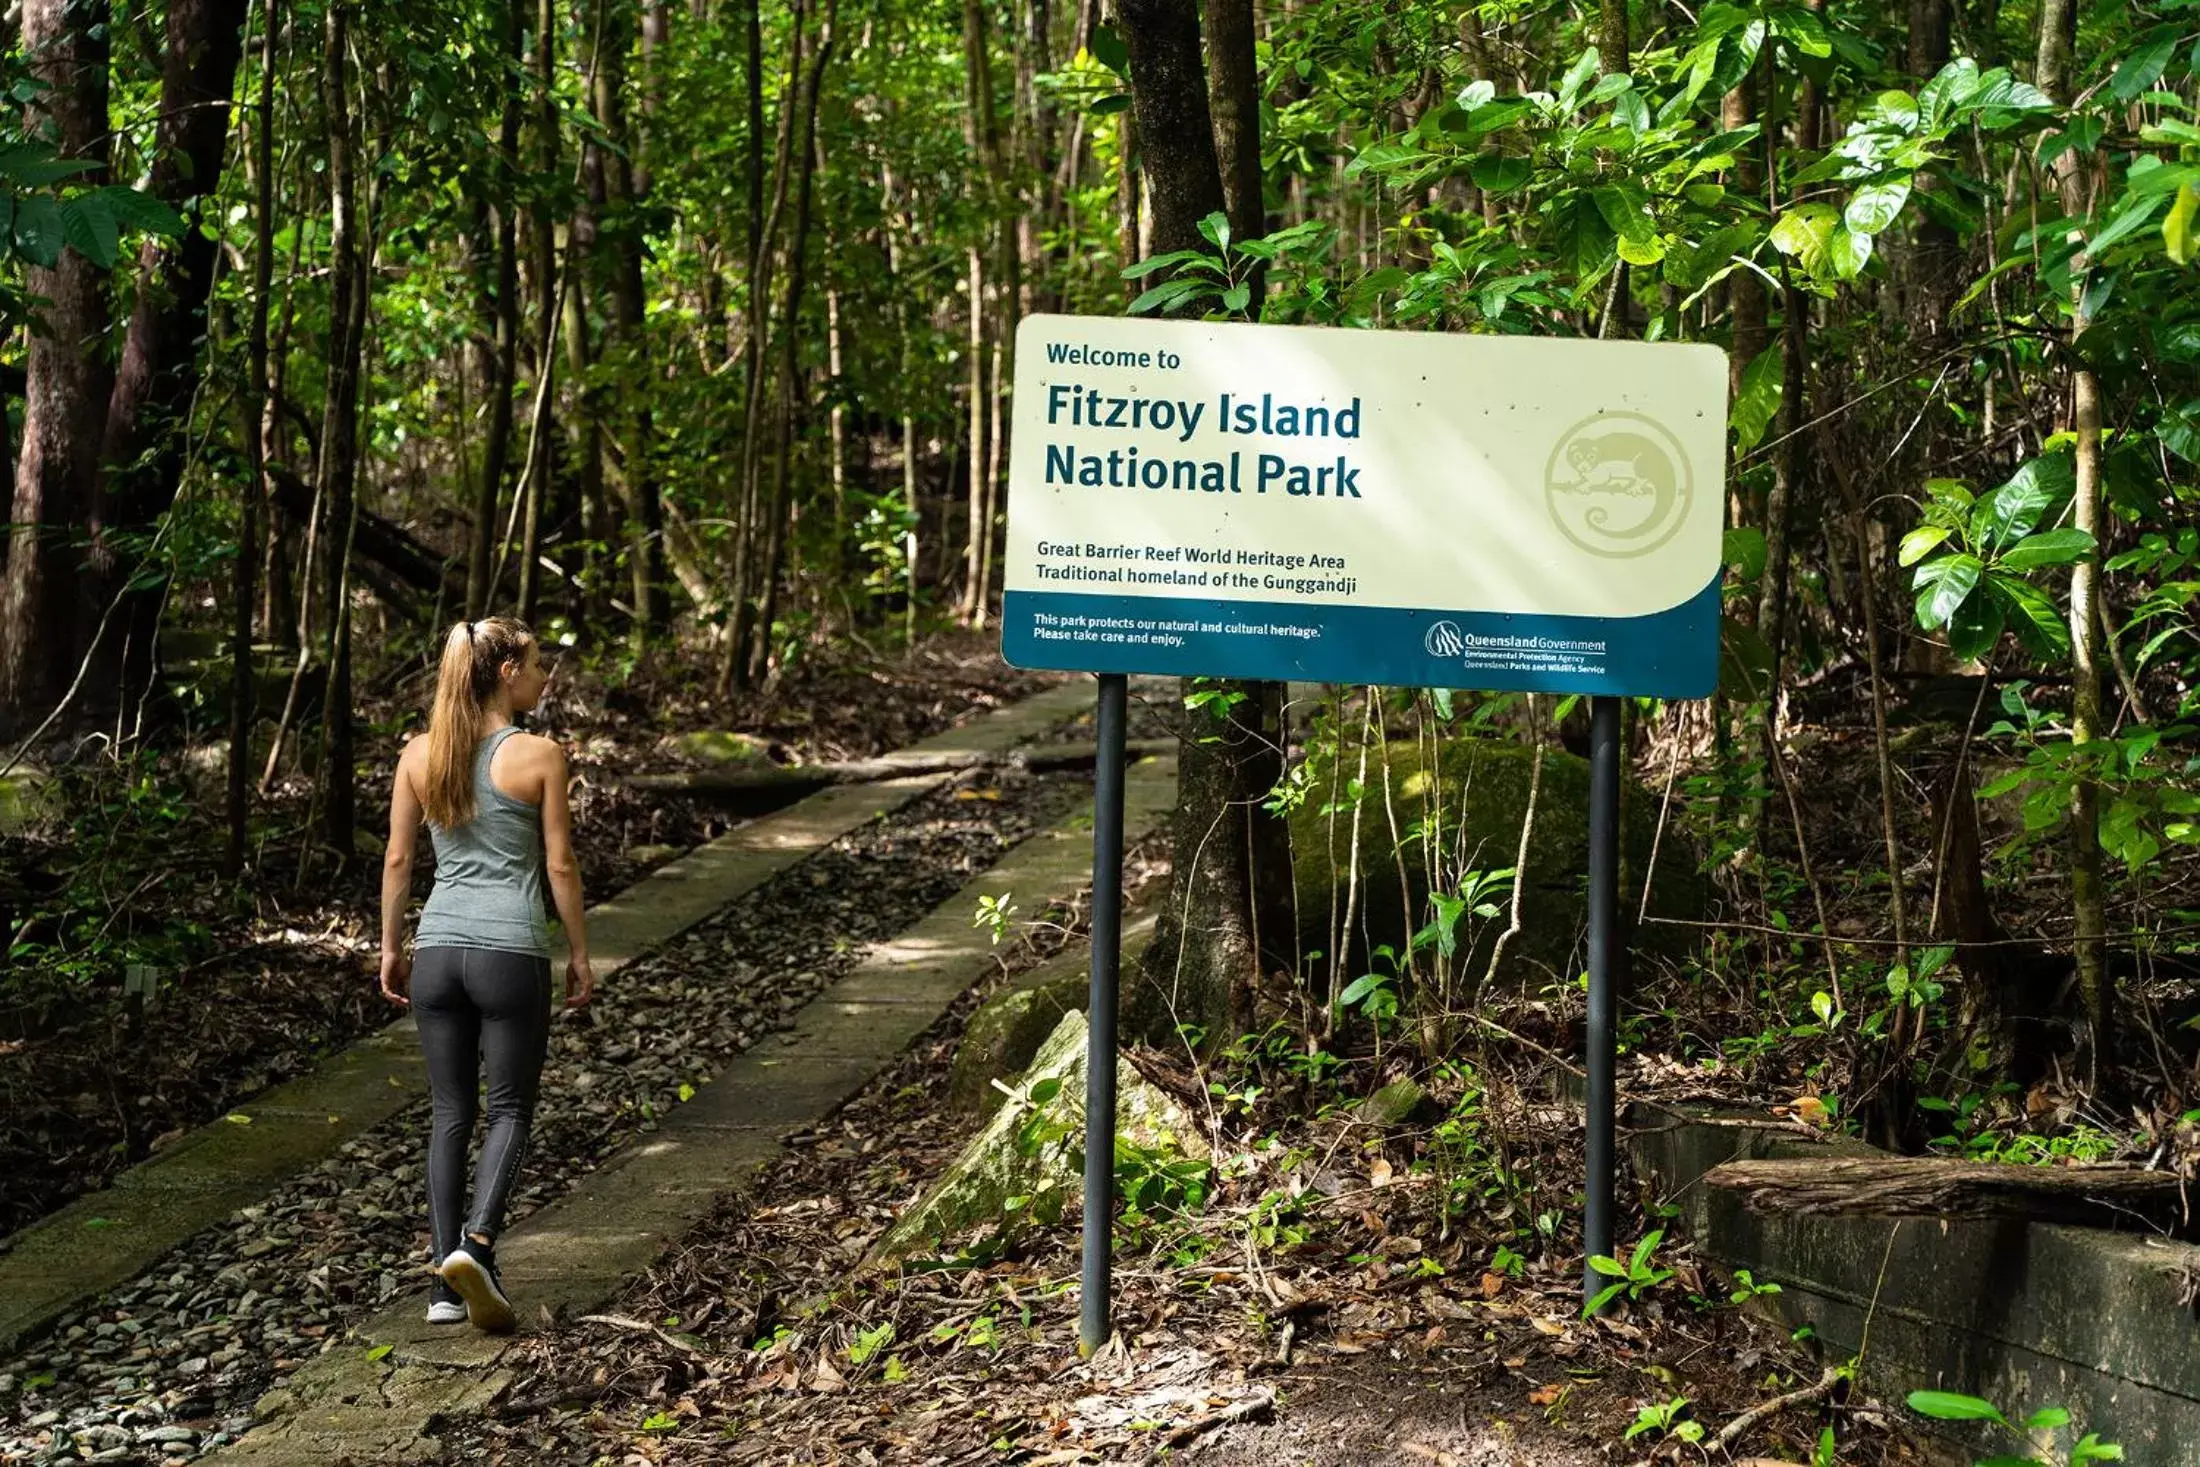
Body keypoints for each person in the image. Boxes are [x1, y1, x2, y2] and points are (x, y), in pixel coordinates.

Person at [376, 616, 596, 1333]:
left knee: (450, 1112)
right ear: (506, 673)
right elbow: (560, 864)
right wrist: (581, 952)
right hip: (508, 953)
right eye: (536, 664)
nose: (543, 676)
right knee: (510, 1110)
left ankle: (445, 1286)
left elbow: (400, 861)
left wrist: (390, 947)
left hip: (437, 950)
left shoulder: (419, 753)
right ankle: (475, 1243)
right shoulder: (540, 755)